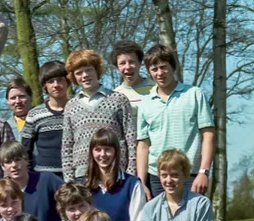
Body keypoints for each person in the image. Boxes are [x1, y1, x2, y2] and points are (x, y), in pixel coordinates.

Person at [136, 44, 215, 198]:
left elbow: (208, 135)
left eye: (163, 67)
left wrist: (204, 172)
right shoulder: (145, 103)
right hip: (157, 178)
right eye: (154, 69)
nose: (159, 73)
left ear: (173, 67)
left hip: (190, 175)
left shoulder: (194, 94)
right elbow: (143, 145)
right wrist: (141, 182)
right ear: (149, 73)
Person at [61, 49, 136, 182]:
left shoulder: (118, 100)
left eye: (88, 70)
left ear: (97, 71)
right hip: (82, 174)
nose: (84, 75)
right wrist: (69, 179)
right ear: (74, 77)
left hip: (116, 172)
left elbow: (130, 138)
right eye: (79, 73)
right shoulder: (70, 106)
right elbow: (67, 145)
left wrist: (131, 172)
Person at [86, 129, 145, 221]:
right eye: (98, 149)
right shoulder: (84, 186)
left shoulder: (132, 184)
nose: (103, 154)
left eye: (107, 149)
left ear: (116, 152)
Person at [0, 141, 63, 221]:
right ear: (2, 166)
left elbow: (73, 196)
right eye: (8, 162)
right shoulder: (3, 190)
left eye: (18, 159)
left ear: (27, 160)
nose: (14, 165)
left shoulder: (46, 180)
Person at [21, 61, 68, 178]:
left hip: (75, 175)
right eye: (50, 81)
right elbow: (25, 150)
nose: (56, 85)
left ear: (68, 81)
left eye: (60, 79)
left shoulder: (78, 110)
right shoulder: (34, 114)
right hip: (43, 176)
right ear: (44, 86)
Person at [112, 40, 154, 118]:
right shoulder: (114, 96)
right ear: (117, 67)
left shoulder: (156, 89)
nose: (128, 67)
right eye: (122, 63)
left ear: (140, 63)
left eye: (131, 62)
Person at [5, 77, 33, 142]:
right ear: (8, 101)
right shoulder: (5, 126)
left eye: (22, 96)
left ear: (30, 97)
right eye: (13, 98)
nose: (18, 101)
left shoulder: (40, 121)